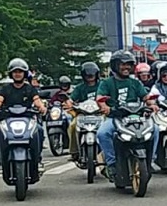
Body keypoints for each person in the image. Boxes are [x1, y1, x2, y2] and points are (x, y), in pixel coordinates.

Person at [95, 51, 159, 179]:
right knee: (102, 133)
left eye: (129, 64)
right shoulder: (106, 83)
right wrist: (105, 107)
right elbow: (100, 98)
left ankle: (150, 160)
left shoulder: (135, 83)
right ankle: (112, 164)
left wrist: (152, 104)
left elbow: (146, 97)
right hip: (115, 118)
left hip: (135, 117)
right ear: (115, 65)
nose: (126, 67)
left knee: (155, 129)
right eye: (122, 64)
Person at [0, 58, 48, 173]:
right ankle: (1, 163)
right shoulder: (5, 88)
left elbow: (37, 100)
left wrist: (41, 107)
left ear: (24, 73)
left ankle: (38, 160)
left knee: (38, 130)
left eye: (20, 72)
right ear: (11, 74)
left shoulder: (30, 88)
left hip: (27, 118)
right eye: (15, 72)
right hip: (8, 119)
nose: (18, 74)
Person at [68, 61, 102, 162]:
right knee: (73, 126)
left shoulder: (103, 85)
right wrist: (70, 104)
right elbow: (71, 100)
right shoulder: (79, 88)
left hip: (100, 114)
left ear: (97, 74)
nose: (90, 77)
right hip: (83, 114)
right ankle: (74, 151)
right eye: (88, 75)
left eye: (92, 74)